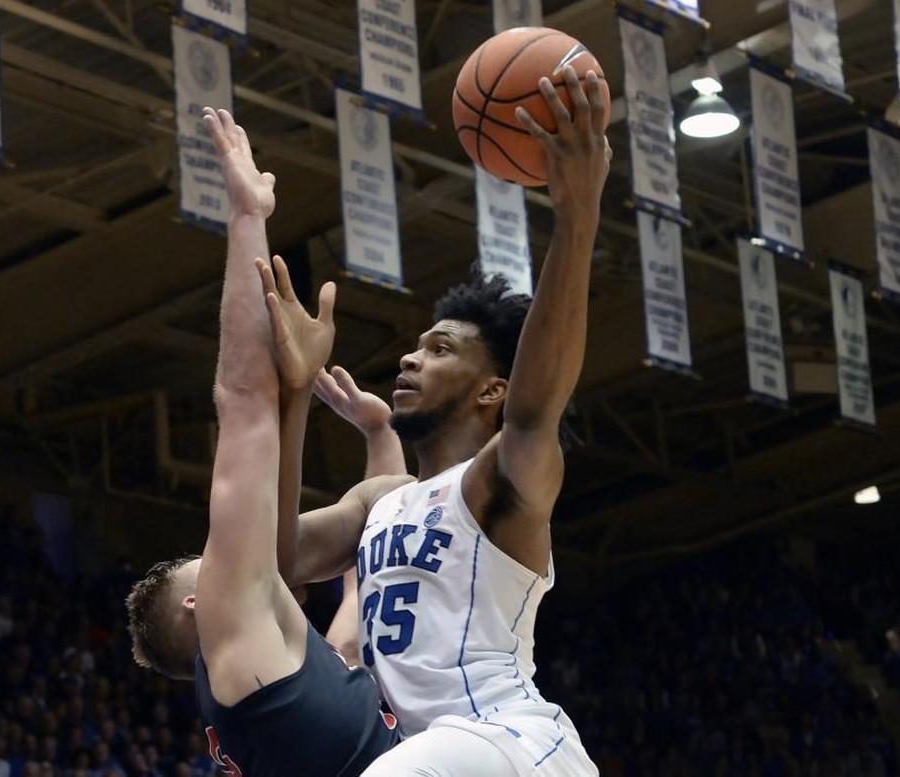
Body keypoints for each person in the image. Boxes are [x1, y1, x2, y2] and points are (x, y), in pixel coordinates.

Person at [285, 66, 610, 775]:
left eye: (439, 349)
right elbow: (271, 558)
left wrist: (576, 215)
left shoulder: (499, 479)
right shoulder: (379, 501)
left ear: (493, 388)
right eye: (415, 344)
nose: (409, 357)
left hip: (510, 741)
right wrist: (285, 397)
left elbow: (536, 407)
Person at [124, 108, 410, 777]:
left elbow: (363, 594)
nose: (230, 548)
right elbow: (243, 404)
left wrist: (377, 432)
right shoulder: (233, 614)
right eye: (212, 555)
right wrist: (247, 216)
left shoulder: (269, 669)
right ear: (202, 602)